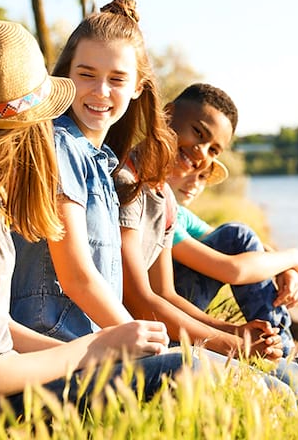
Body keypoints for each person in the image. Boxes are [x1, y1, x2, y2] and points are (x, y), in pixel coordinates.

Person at [0, 19, 185, 423]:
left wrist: (104, 350)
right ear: (30, 122)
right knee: (187, 371)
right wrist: (94, 349)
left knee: (194, 370)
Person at [9, 0, 176, 343]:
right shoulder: (59, 144)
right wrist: (140, 339)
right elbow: (76, 277)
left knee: (280, 377)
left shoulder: (100, 163)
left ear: (136, 88)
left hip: (93, 341)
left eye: (117, 79)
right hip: (55, 343)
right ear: (66, 75)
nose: (101, 91)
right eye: (86, 75)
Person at [116, 84, 286, 361]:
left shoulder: (165, 198)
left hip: (153, 326)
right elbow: (138, 300)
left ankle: (281, 346)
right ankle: (284, 350)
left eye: (214, 150)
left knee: (290, 380)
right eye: (198, 133)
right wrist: (234, 345)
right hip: (122, 337)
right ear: (167, 115)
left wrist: (235, 331)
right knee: (283, 386)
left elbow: (165, 293)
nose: (201, 153)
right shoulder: (126, 183)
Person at [168, 159, 298, 407]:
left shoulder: (181, 214)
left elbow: (246, 246)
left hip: (178, 305)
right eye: (193, 168)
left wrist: (287, 268)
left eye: (203, 177)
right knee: (238, 234)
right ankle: (281, 348)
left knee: (240, 235)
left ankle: (278, 347)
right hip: (167, 311)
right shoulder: (160, 213)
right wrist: (294, 257)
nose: (195, 183)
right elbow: (233, 267)